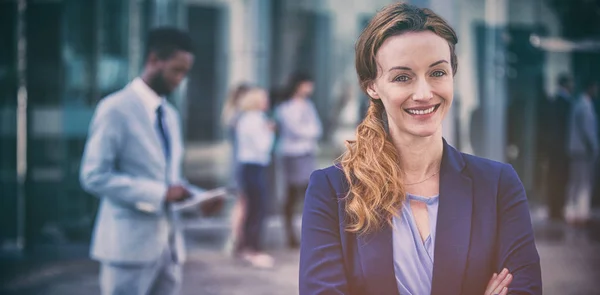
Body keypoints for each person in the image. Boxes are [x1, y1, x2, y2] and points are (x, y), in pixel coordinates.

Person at [299, 3, 541, 295]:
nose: (424, 94)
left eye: (437, 73)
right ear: (372, 86)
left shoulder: (499, 185)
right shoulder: (331, 190)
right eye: (403, 77)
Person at [80, 27, 221, 295]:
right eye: (176, 70)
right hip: (127, 251)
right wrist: (161, 193)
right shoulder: (115, 109)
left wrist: (199, 200)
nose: (180, 80)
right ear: (154, 60)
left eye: (185, 73)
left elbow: (170, 181)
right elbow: (93, 175)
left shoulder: (170, 115)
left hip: (169, 250)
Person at [275, 72, 322, 248]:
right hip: (291, 154)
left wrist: (307, 132)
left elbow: (317, 129)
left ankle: (307, 234)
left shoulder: (308, 105)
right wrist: (308, 132)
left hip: (306, 152)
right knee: (292, 194)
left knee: (308, 194)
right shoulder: (285, 107)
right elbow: (295, 130)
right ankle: (290, 234)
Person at [235, 87, 276, 268]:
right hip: (255, 167)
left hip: (248, 167)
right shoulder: (256, 120)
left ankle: (246, 247)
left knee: (252, 208)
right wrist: (270, 132)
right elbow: (263, 147)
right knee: (258, 208)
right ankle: (253, 249)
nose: (266, 101)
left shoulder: (245, 119)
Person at [221, 83, 251, 256]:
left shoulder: (231, 114)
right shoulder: (239, 117)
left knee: (241, 202)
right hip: (241, 163)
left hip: (236, 162)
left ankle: (236, 238)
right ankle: (235, 238)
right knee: (242, 202)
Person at [565, 79, 599, 226]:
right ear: (591, 88)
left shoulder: (578, 104)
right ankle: (581, 212)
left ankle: (573, 211)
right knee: (584, 182)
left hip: (576, 149)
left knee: (576, 181)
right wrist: (594, 147)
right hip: (584, 150)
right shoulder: (585, 106)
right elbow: (588, 130)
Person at [543, 74, 574, 221]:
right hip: (562, 148)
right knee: (560, 179)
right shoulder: (566, 103)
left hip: (553, 148)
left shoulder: (553, 102)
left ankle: (553, 209)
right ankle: (557, 210)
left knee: (553, 178)